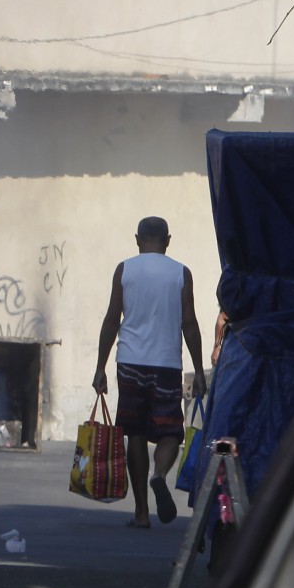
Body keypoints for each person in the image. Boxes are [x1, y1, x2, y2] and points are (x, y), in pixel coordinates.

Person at [94, 216, 207, 530]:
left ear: (137, 239)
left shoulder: (125, 269)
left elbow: (111, 320)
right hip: (167, 364)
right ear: (168, 240)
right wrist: (199, 370)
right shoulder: (181, 273)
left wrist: (100, 367)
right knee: (171, 432)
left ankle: (142, 513)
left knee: (136, 434)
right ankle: (160, 475)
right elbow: (190, 323)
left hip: (130, 362)